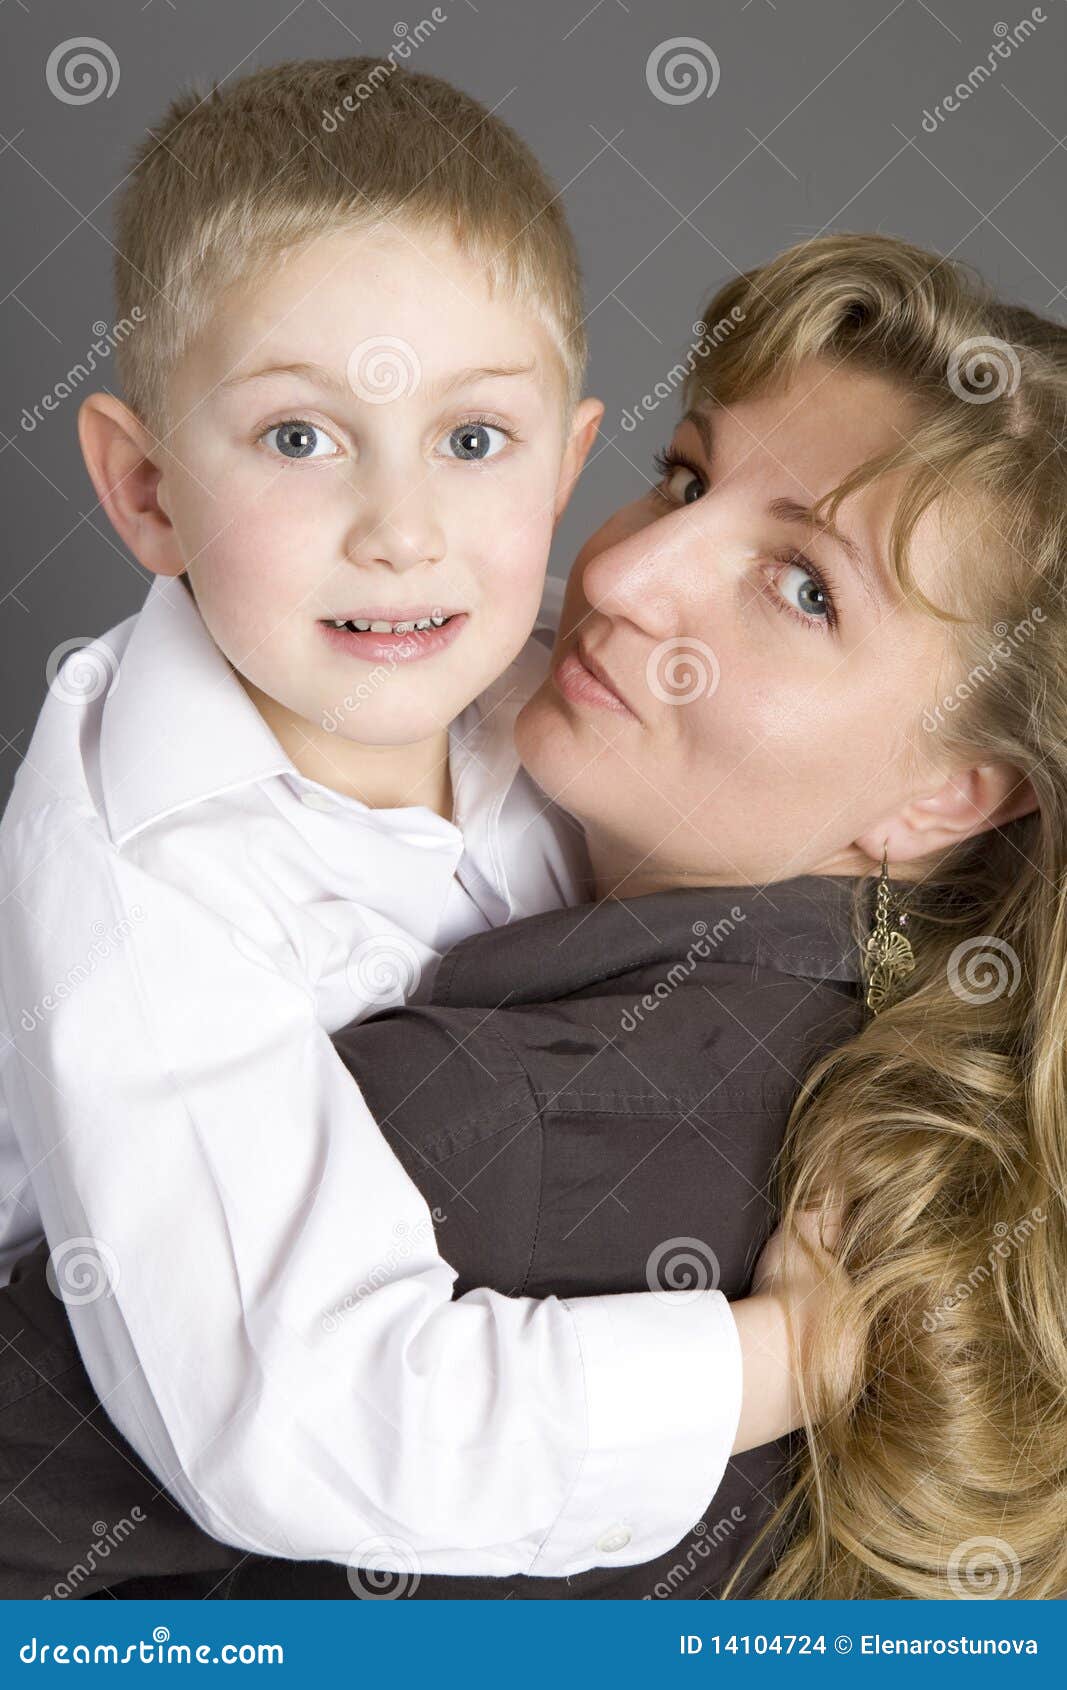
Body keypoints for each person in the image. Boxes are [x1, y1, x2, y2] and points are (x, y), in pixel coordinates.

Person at [4, 228, 1065, 1601]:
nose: (623, 576)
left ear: (950, 797)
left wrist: (776, 1356)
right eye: (684, 477)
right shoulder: (892, 1041)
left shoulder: (478, 1107)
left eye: (805, 589)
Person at [0, 56, 798, 1586]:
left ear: (565, 470)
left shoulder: (544, 691)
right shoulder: (148, 867)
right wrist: (776, 1362)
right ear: (147, 487)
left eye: (473, 439)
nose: (403, 530)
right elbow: (299, 1425)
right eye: (300, 437)